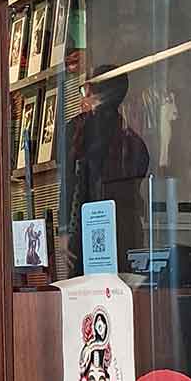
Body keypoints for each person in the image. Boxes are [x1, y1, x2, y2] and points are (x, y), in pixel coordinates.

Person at [58, 67, 149, 274]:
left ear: (91, 91)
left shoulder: (77, 131)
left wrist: (64, 231)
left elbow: (70, 181)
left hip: (85, 226)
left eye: (83, 89)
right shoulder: (134, 142)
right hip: (126, 228)